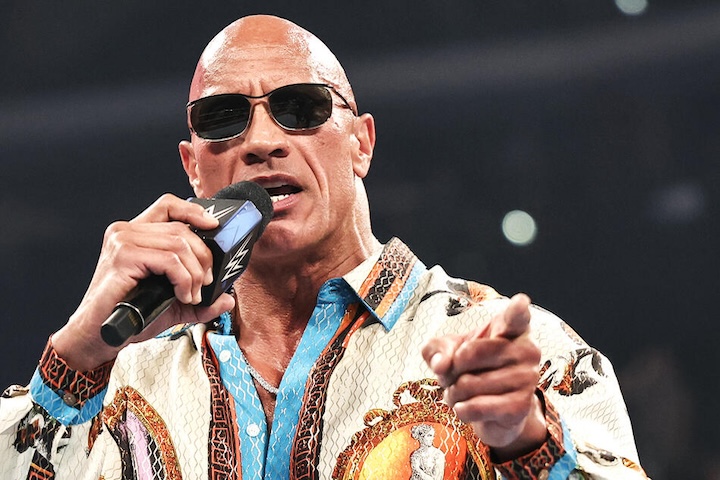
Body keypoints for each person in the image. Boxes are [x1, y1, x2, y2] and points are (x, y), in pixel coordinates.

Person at [0, 14, 648, 480]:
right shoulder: (118, 377)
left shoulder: (511, 351)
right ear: (193, 167)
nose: (261, 142)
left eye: (301, 108)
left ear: (361, 143)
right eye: (223, 118)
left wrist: (525, 443)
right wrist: (78, 349)